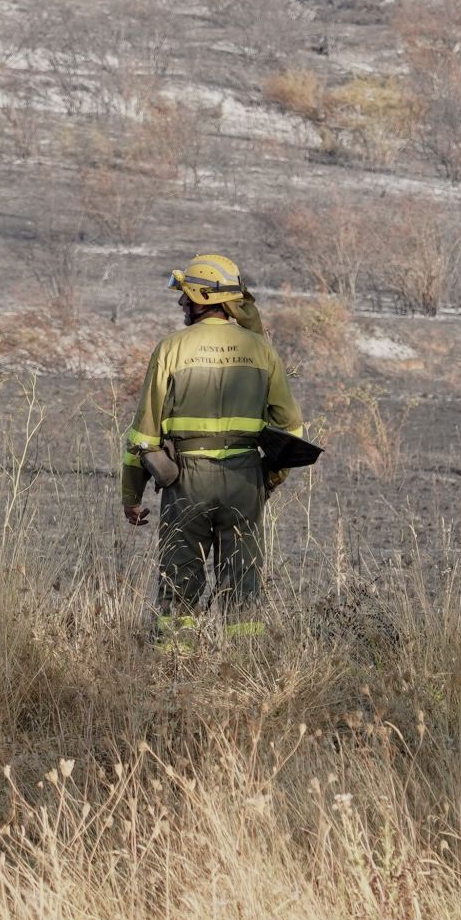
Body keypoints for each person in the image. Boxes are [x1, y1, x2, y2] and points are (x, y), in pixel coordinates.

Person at [120, 254, 304, 651]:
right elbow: (291, 429)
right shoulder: (261, 349)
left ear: (203, 299)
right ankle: (243, 668)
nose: (181, 304)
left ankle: (174, 667)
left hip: (185, 481)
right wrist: (266, 481)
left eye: (186, 296)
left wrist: (131, 495)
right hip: (245, 480)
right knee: (243, 584)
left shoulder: (171, 348)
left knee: (179, 581)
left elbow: (144, 433)